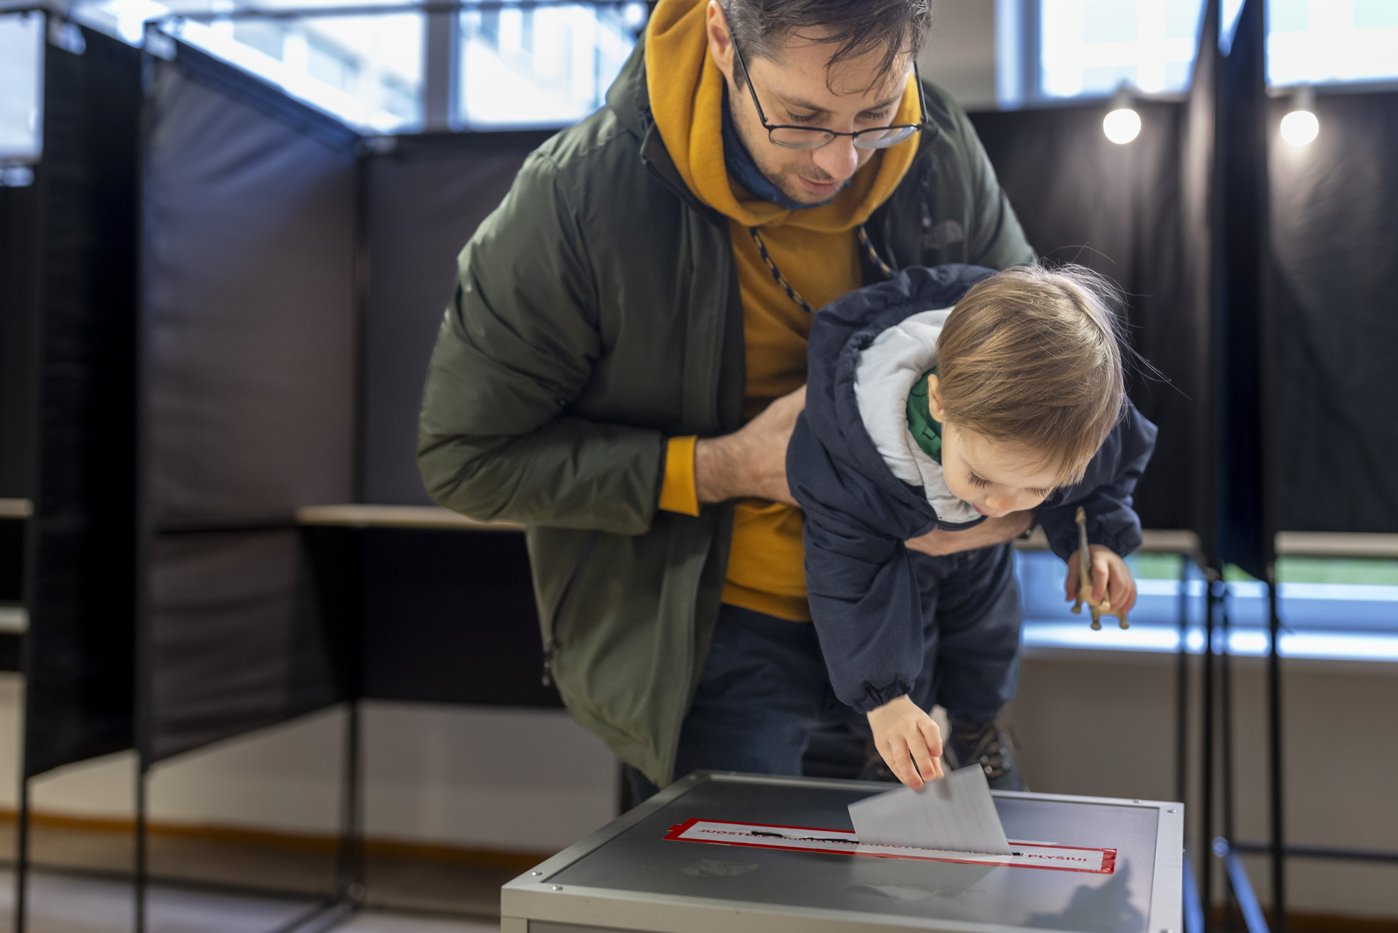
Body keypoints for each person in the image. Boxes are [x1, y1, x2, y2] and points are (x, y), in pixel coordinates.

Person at [416, 0, 1037, 803]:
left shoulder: (940, 148)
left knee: (924, 882)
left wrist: (1012, 503)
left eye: (877, 116)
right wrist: (722, 467)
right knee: (734, 879)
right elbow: (465, 459)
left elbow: (1042, 367)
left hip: (914, 617)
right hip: (714, 647)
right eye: (801, 120)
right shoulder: (577, 198)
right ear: (721, 39)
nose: (842, 160)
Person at [790, 263, 1158, 791]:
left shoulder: (1076, 420)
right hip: (894, 563)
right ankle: (894, 753)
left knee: (990, 639)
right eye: (982, 477)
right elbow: (846, 573)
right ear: (939, 402)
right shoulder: (859, 454)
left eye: (1036, 489)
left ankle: (977, 729)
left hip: (980, 565)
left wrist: (1096, 541)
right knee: (903, 645)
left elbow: (1104, 477)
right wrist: (884, 701)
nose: (1002, 507)